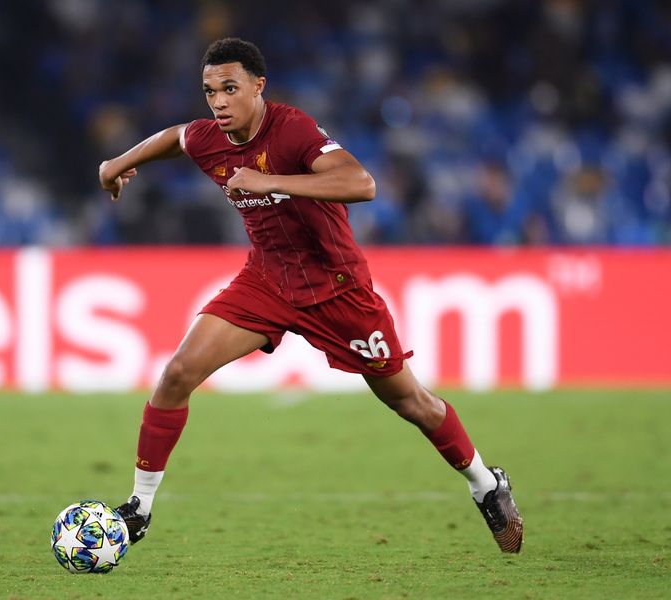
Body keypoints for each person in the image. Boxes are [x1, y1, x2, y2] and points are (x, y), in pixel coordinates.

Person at [98, 37, 523, 553]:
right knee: (177, 374)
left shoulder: (293, 128)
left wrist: (271, 180)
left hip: (337, 288)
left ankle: (484, 482)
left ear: (259, 86)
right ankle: (139, 509)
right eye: (210, 91)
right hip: (266, 282)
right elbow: (176, 138)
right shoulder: (210, 137)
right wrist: (116, 163)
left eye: (230, 89)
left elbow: (362, 183)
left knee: (410, 402)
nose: (219, 102)